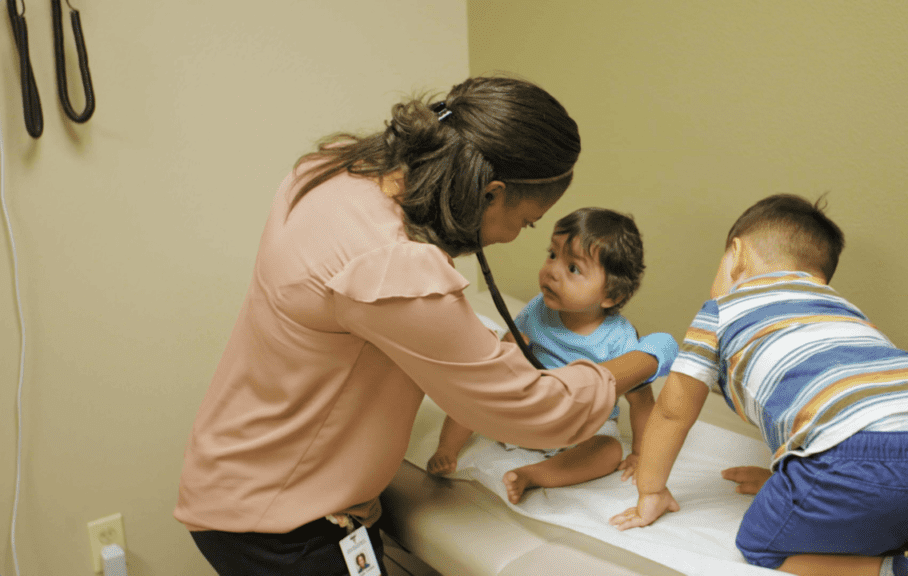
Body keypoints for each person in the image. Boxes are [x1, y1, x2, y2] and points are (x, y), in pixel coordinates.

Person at [174, 76, 679, 576]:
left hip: (238, 469)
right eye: (526, 223)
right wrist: (646, 358)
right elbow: (534, 409)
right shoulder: (390, 266)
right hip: (283, 521)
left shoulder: (335, 170)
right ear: (491, 194)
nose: (514, 237)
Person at [611, 194, 908, 576]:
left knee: (760, 544)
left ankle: (902, 570)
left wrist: (652, 489)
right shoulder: (845, 309)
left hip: (855, 455)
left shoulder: (722, 311)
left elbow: (673, 411)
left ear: (736, 255)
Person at [427, 207, 658, 504]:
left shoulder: (620, 338)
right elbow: (512, 348)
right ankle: (447, 449)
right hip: (531, 408)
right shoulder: (539, 308)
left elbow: (642, 403)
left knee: (609, 451)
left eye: (573, 268)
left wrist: (640, 453)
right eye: (552, 254)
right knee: (476, 389)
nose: (552, 271)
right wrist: (507, 353)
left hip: (583, 424)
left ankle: (533, 475)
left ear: (611, 295)